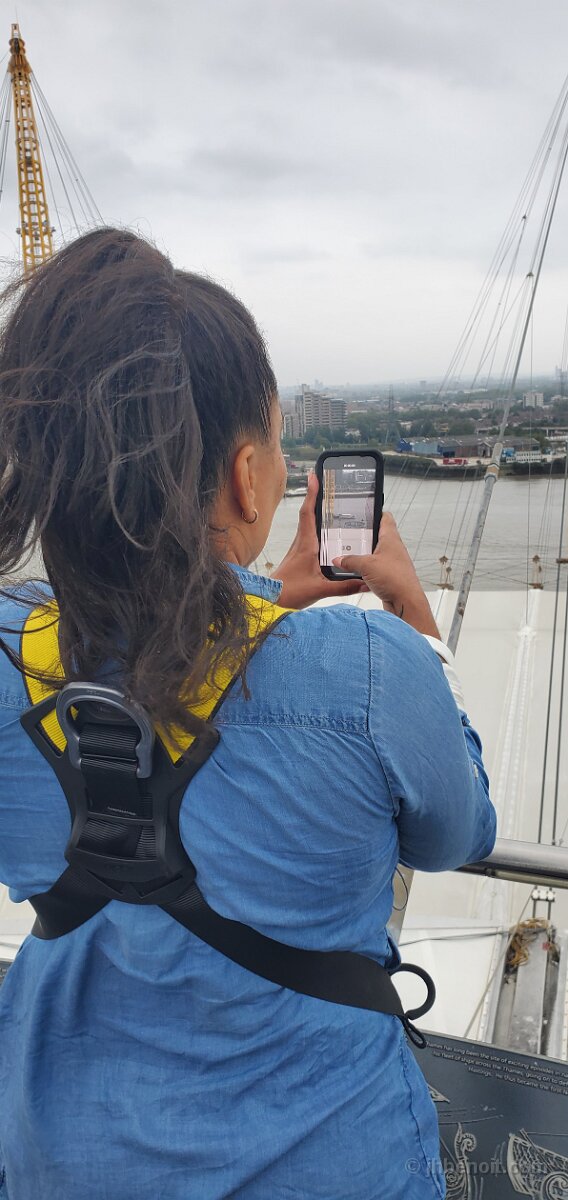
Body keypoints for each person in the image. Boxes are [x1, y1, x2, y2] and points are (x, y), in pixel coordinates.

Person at [0, 228, 495, 1200]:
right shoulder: (368, 670)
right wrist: (412, 619)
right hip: (328, 1164)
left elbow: (135, 642)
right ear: (244, 475)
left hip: (66, 1161)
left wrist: (261, 600)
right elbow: (458, 834)